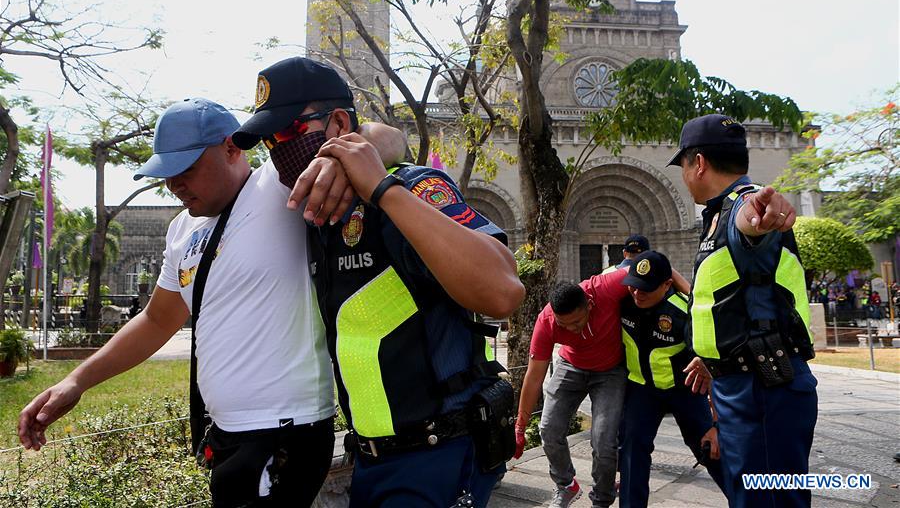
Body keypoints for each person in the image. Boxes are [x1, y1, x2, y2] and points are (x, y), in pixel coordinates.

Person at [18, 97, 402, 507]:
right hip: (225, 433)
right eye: (167, 174)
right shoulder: (181, 230)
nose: (174, 185)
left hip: (285, 431)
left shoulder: (278, 183)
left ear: (231, 147)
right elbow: (156, 320)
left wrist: (337, 160)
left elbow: (390, 139)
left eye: (186, 169)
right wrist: (76, 381)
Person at [231, 56, 525, 508]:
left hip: (441, 453)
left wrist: (380, 188)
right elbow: (383, 134)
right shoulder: (315, 212)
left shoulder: (410, 188)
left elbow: (503, 292)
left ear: (337, 123)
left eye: (289, 132)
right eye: (269, 141)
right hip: (371, 461)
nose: (278, 150)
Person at [668, 113, 817, 508]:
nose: (684, 177)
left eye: (683, 166)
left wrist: (763, 213)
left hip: (763, 389)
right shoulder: (719, 214)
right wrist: (711, 356)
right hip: (742, 384)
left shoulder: (742, 208)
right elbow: (736, 296)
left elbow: (755, 220)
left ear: (699, 163)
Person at [617, 250, 726, 507]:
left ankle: (746, 499)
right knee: (632, 450)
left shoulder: (683, 314)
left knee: (709, 448)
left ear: (667, 285)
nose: (637, 293)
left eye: (646, 288)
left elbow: (714, 368)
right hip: (642, 391)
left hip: (685, 391)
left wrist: (718, 423)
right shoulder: (622, 303)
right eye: (634, 286)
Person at [511, 269, 629, 508]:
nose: (571, 329)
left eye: (576, 322)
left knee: (604, 441)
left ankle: (602, 498)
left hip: (610, 370)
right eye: (563, 324)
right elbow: (534, 377)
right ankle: (566, 485)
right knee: (549, 429)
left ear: (589, 305)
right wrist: (520, 426)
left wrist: (691, 299)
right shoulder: (546, 321)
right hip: (571, 365)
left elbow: (656, 267)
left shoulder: (604, 288)